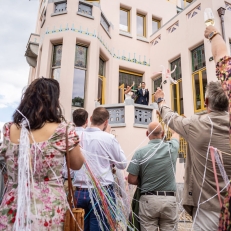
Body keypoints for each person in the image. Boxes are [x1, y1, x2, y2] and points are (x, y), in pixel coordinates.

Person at [154, 25, 231, 231]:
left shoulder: (198, 125)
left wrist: (160, 101)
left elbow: (171, 118)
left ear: (206, 101)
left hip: (208, 212)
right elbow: (224, 59)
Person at [0, 78, 85, 230]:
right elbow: (77, 164)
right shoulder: (62, 130)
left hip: (13, 205)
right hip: (48, 207)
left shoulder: (9, 129)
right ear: (54, 101)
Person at [74, 107, 127, 231]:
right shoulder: (108, 138)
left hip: (79, 192)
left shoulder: (76, 135)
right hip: (102, 191)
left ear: (91, 119)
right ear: (106, 122)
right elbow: (122, 164)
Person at [127, 122, 179, 231]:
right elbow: (176, 134)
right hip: (169, 199)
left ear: (147, 133)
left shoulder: (140, 152)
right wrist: (172, 127)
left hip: (148, 200)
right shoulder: (172, 149)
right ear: (163, 133)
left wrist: (144, 179)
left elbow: (131, 179)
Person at [63, 108, 88, 193]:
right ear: (87, 121)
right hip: (84, 183)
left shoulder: (65, 135)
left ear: (73, 120)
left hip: (67, 180)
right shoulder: (89, 136)